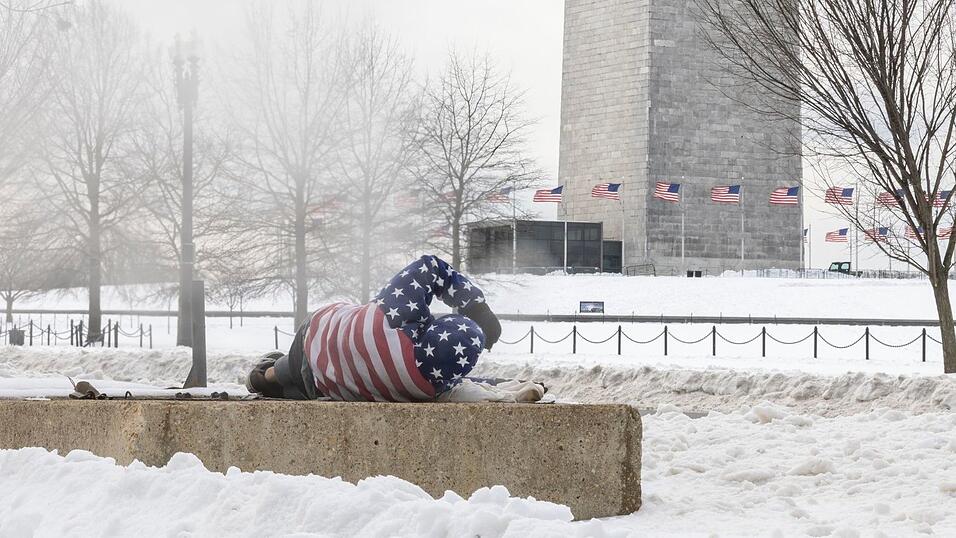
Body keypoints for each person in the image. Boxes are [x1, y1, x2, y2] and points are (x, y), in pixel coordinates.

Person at [247, 255, 503, 401]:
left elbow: (430, 267)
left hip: (317, 334)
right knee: (298, 382)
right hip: (327, 384)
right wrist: (498, 382)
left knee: (287, 369)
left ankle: (263, 376)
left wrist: (476, 307)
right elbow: (462, 383)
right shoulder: (426, 388)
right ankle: (274, 380)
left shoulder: (397, 315)